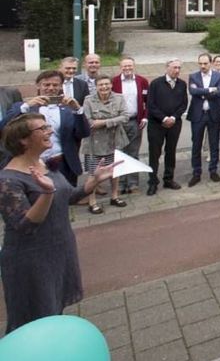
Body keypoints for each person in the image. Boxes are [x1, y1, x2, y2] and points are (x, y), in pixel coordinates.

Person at [0, 113, 117, 333]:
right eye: (42, 129)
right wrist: (46, 193)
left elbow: (68, 196)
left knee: (55, 312)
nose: (50, 131)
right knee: (32, 321)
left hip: (59, 249)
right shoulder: (8, 179)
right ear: (23, 140)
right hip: (30, 258)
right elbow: (25, 225)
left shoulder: (42, 164)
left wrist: (94, 181)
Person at [4, 70, 91, 187]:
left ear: (61, 86)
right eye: (46, 85)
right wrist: (26, 106)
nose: (51, 88)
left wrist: (78, 110)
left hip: (62, 164)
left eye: (55, 85)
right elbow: (4, 126)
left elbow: (84, 133)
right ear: (38, 86)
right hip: (31, 164)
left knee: (64, 200)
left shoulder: (69, 110)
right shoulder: (23, 108)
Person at [81, 75, 129, 213]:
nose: (104, 87)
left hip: (115, 141)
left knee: (115, 171)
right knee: (93, 173)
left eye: (107, 84)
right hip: (94, 143)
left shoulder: (119, 98)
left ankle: (114, 196)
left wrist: (103, 122)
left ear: (111, 85)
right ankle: (92, 201)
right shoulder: (88, 100)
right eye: (101, 85)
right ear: (96, 86)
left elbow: (125, 116)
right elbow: (88, 122)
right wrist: (114, 120)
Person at [146, 58, 188, 195]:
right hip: (157, 124)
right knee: (154, 153)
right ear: (167, 68)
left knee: (171, 152)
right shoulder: (156, 84)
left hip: (174, 124)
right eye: (174, 67)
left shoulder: (182, 84)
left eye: (179, 68)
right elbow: (150, 105)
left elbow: (183, 104)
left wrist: (173, 118)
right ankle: (152, 182)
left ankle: (168, 179)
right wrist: (163, 118)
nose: (177, 70)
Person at [186, 53, 220, 186]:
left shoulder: (218, 76)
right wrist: (210, 90)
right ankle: (196, 173)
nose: (202, 66)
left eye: (205, 63)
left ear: (210, 63)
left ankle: (213, 171)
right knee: (196, 145)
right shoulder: (193, 76)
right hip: (198, 115)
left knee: (214, 144)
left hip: (213, 114)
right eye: (200, 64)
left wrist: (202, 91)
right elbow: (193, 92)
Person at [111, 57, 148, 194]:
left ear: (134, 66)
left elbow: (146, 101)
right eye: (124, 66)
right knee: (119, 153)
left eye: (130, 66)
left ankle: (133, 184)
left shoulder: (142, 81)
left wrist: (144, 117)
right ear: (120, 67)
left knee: (133, 153)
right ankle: (120, 185)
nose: (127, 68)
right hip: (118, 123)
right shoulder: (113, 82)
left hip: (135, 121)